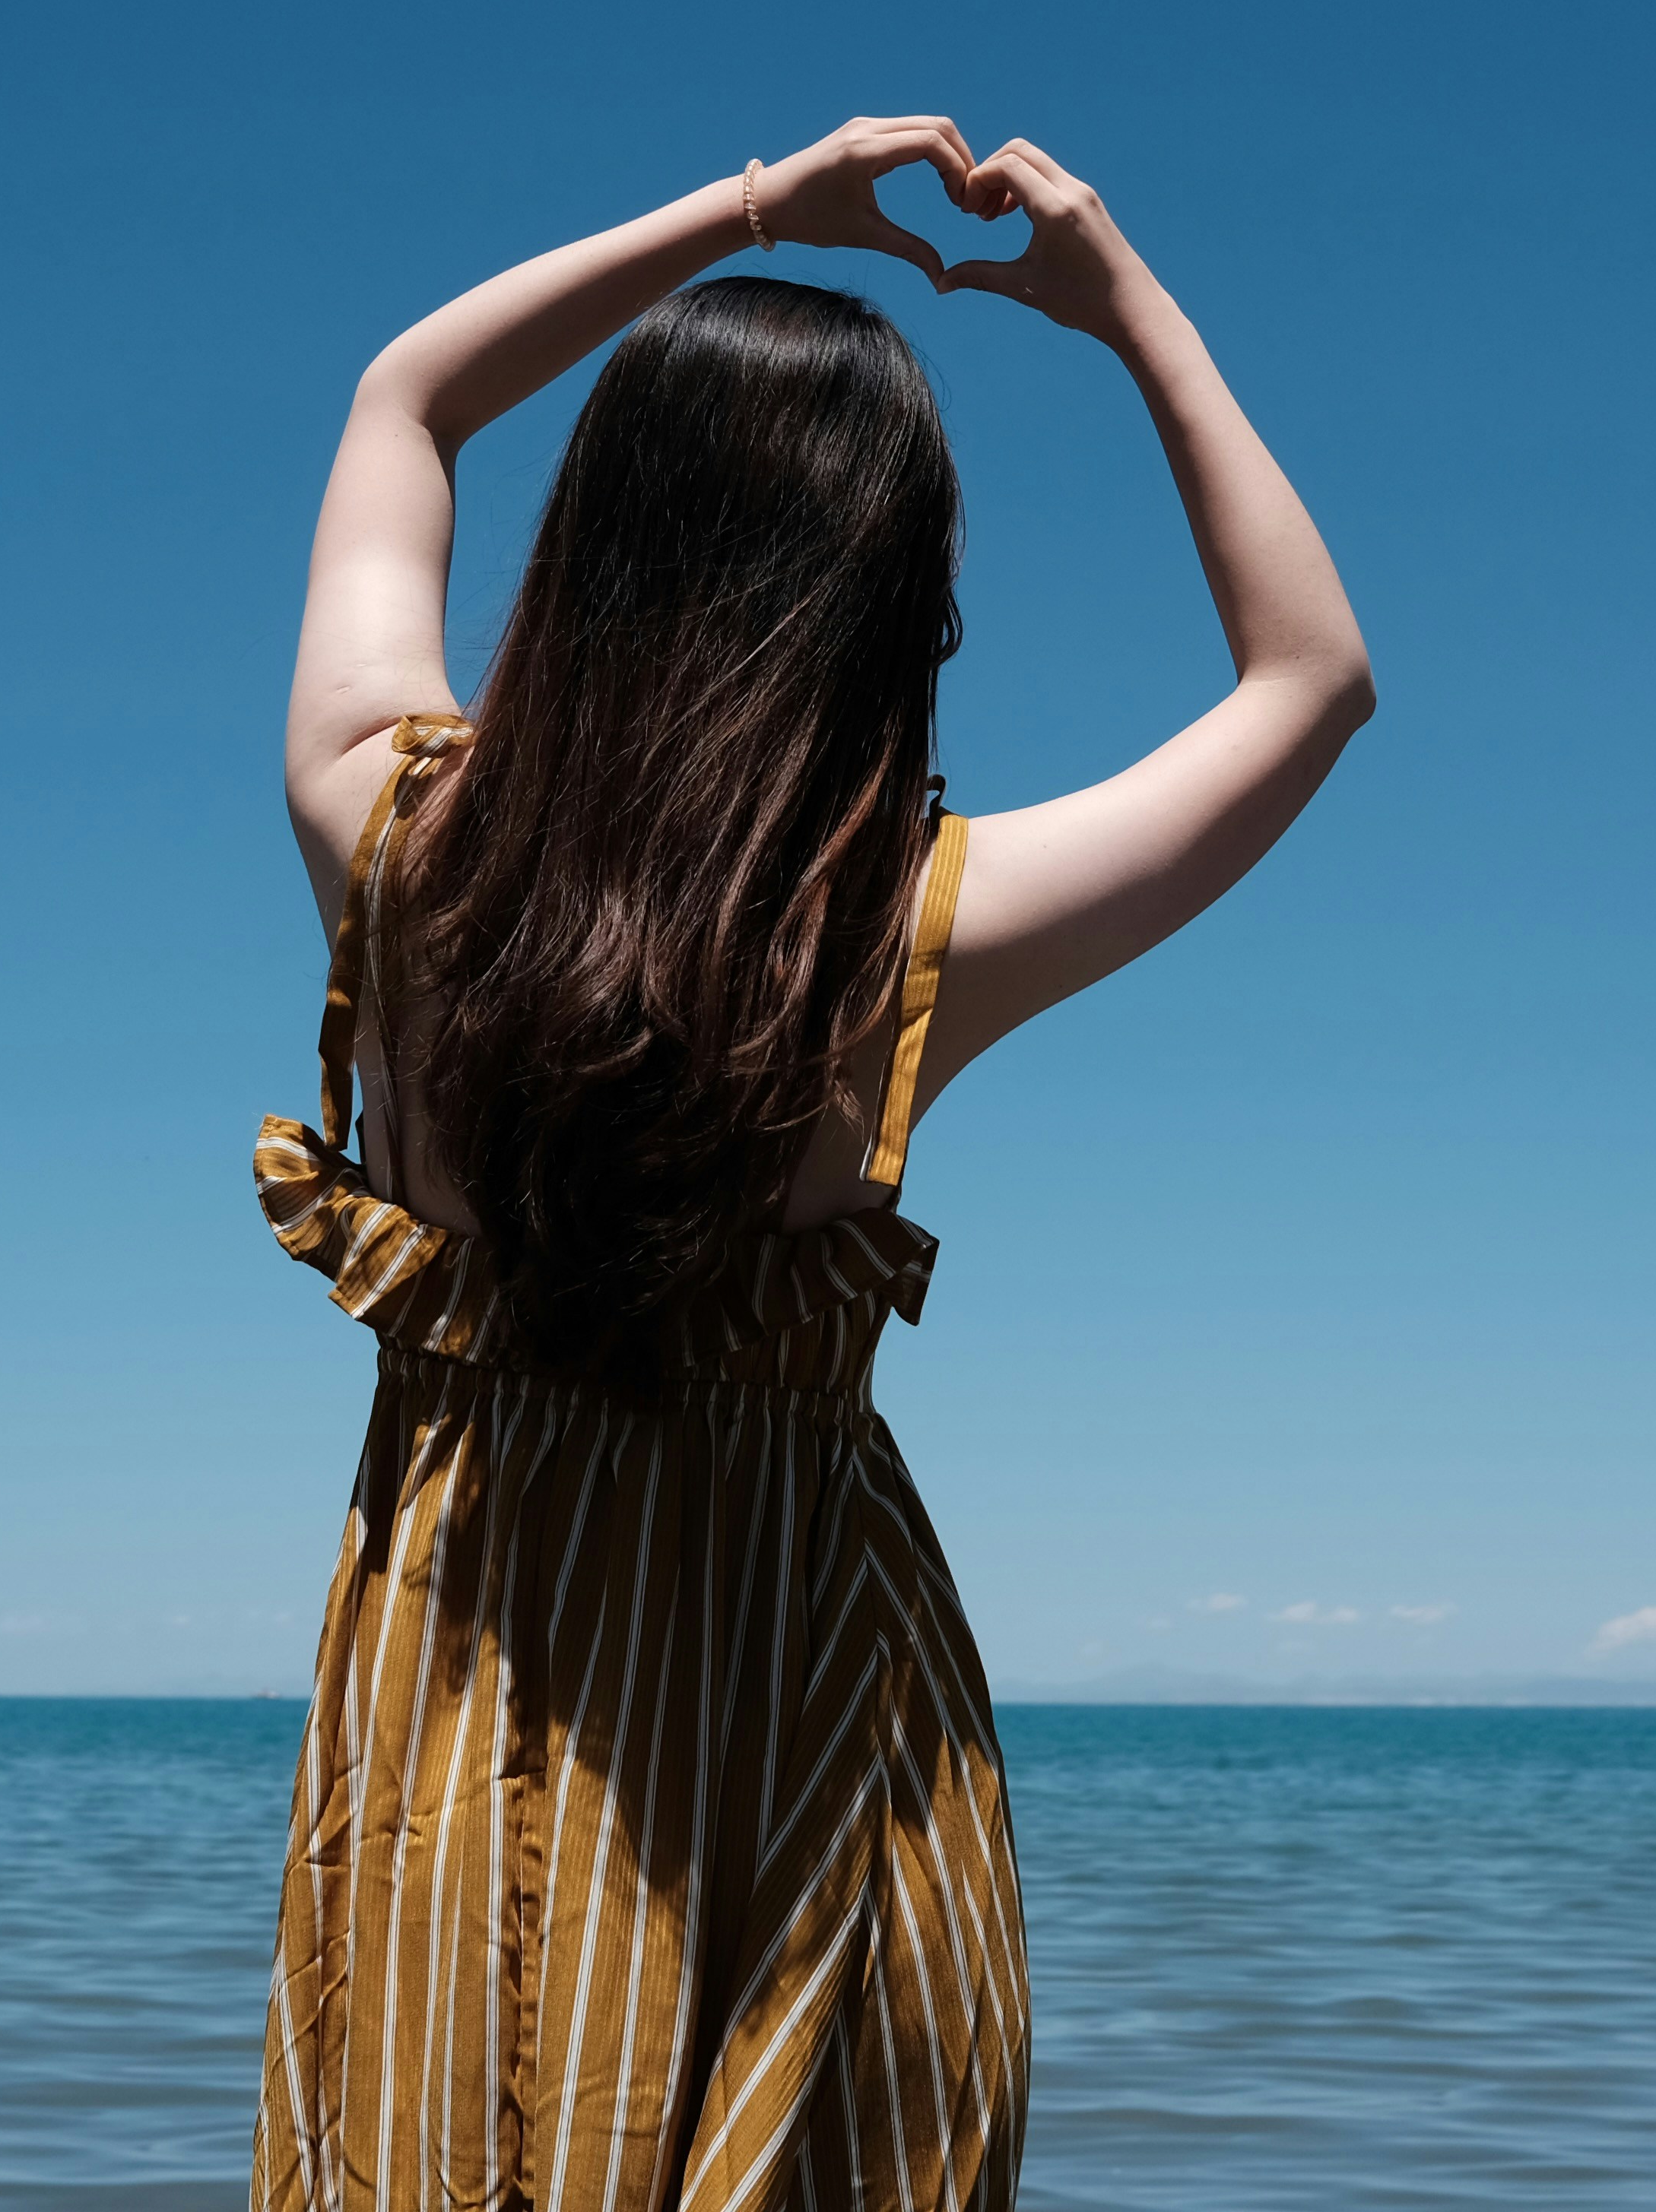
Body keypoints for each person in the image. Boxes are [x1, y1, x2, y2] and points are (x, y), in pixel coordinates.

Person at [255, 120, 1374, 2212]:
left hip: (455, 1735)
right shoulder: (904, 943)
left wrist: (758, 207)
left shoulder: (394, 844)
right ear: (899, 611)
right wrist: (1122, 301)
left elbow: (408, 394)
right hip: (801, 1730)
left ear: (585, 546)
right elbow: (1312, 682)